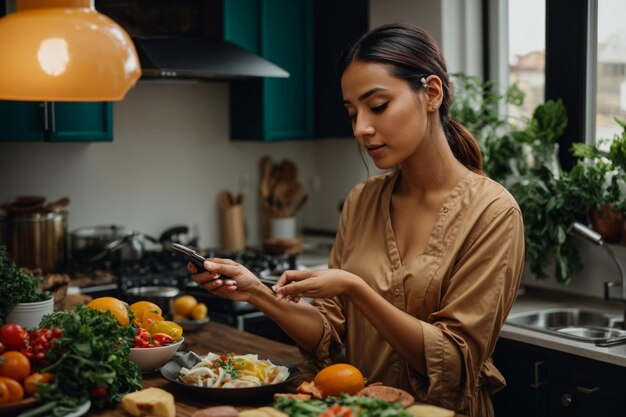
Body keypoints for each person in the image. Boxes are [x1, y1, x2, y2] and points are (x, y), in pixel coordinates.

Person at [190, 23, 524, 417]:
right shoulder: (362, 201)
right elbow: (328, 333)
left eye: (378, 106)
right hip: (355, 410)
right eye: (352, 112)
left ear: (431, 93)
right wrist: (256, 293)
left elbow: (452, 361)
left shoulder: (493, 213)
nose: (361, 128)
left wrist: (356, 288)